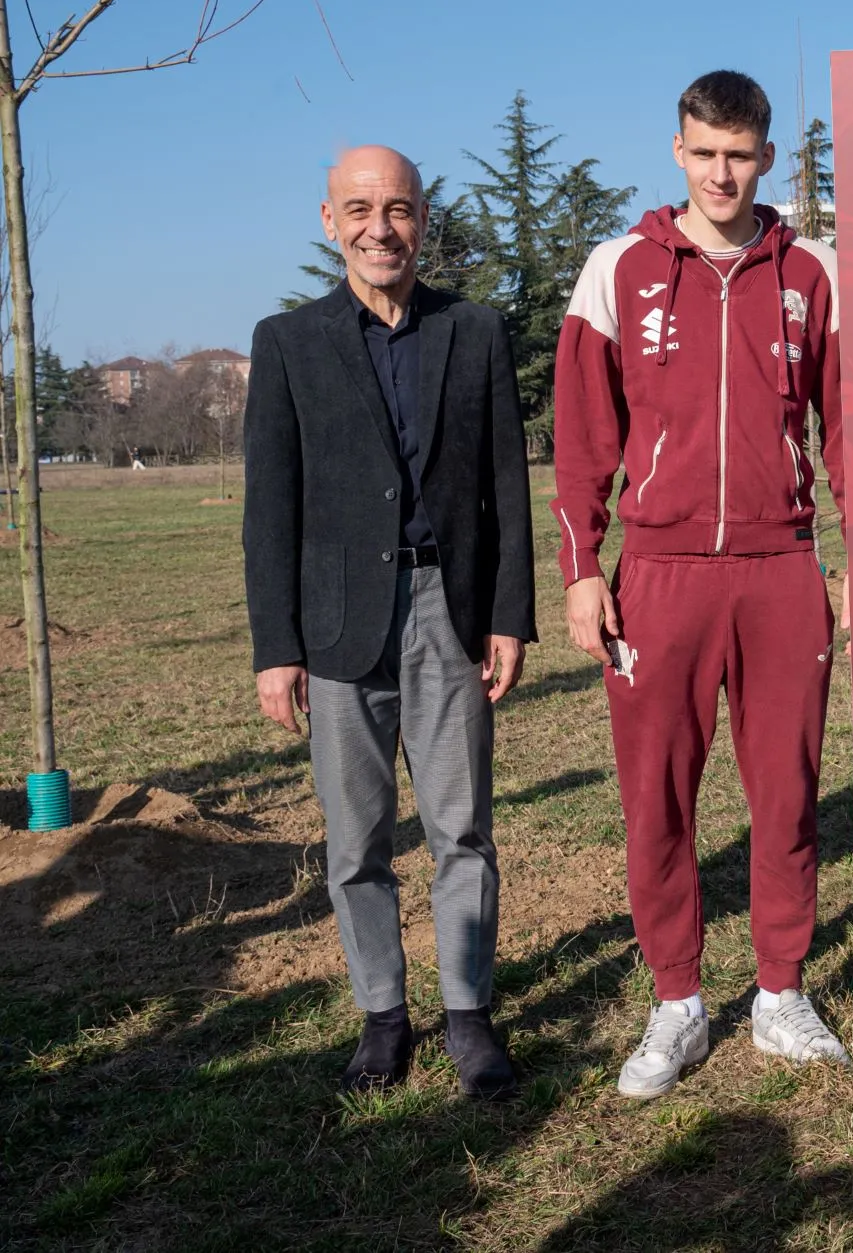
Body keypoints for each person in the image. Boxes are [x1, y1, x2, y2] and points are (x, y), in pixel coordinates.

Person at [552, 70, 849, 1098]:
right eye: (704, 152)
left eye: (740, 153)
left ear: (765, 157)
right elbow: (584, 439)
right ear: (676, 151)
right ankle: (676, 998)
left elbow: (846, 426)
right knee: (658, 799)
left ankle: (778, 990)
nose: (722, 172)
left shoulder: (812, 271)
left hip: (780, 570)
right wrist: (582, 569)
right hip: (661, 574)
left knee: (785, 792)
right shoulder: (618, 270)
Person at [244, 146, 536, 1098]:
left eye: (400, 209)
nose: (382, 227)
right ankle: (382, 1015)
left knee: (463, 828)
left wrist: (507, 615)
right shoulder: (287, 344)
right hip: (336, 629)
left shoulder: (477, 331)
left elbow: (505, 487)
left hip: (448, 612)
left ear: (422, 221)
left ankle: (467, 1013)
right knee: (356, 842)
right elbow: (270, 507)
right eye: (361, 209)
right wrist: (276, 648)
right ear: (329, 222)